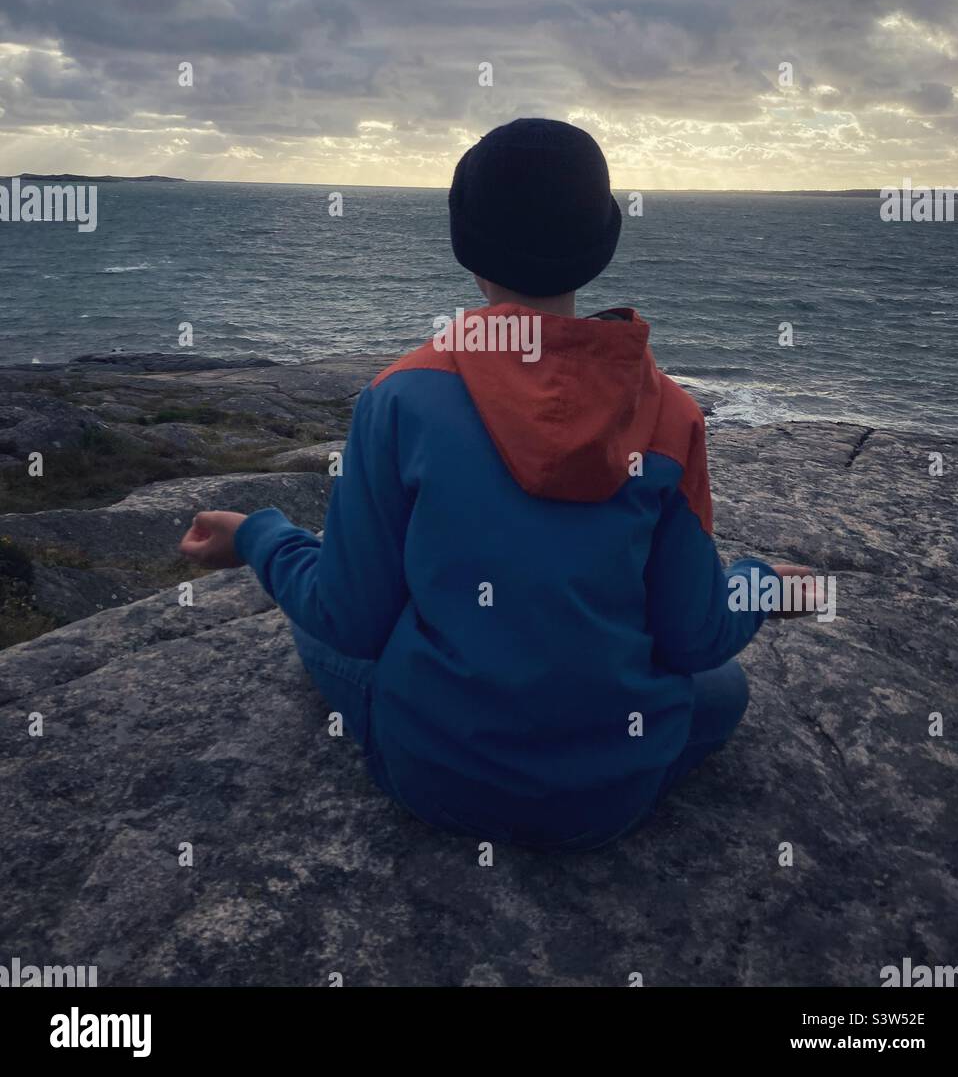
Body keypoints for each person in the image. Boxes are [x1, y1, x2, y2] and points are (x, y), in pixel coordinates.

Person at [180, 118, 811, 850]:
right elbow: (694, 636)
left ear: (466, 245)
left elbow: (350, 617)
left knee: (317, 623)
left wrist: (259, 535)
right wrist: (760, 584)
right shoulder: (668, 412)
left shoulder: (401, 396)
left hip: (437, 777)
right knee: (723, 689)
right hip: (615, 791)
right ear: (601, 243)